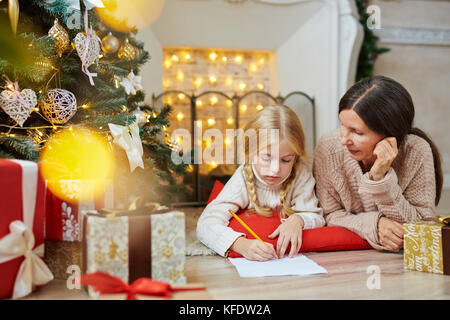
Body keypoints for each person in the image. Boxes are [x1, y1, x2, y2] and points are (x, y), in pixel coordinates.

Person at [313, 75, 443, 252]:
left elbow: (422, 228)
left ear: (390, 134)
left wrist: (380, 179)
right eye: (342, 125)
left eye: (357, 132)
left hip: (401, 264)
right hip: (347, 259)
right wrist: (375, 224)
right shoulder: (328, 147)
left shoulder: (416, 152)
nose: (344, 140)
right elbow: (328, 214)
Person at [197, 105, 324, 261]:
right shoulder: (243, 176)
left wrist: (297, 220)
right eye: (266, 158)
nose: (275, 170)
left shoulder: (301, 173)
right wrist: (240, 244)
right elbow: (205, 224)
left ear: (296, 157)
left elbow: (318, 216)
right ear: (250, 152)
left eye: (286, 160)